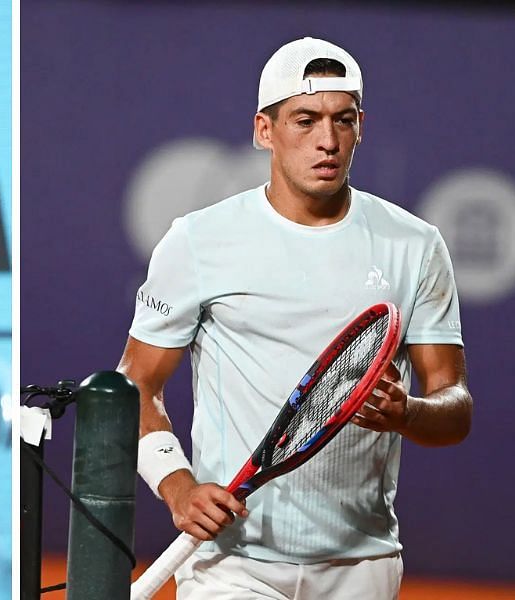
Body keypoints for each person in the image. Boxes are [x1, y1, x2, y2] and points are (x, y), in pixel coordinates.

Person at [123, 37, 472, 599]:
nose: (327, 141)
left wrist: (409, 411)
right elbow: (135, 385)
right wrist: (178, 485)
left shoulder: (416, 245)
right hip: (233, 566)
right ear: (265, 130)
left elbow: (454, 407)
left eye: (343, 120)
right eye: (304, 120)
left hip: (364, 564)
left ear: (361, 127)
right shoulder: (198, 240)